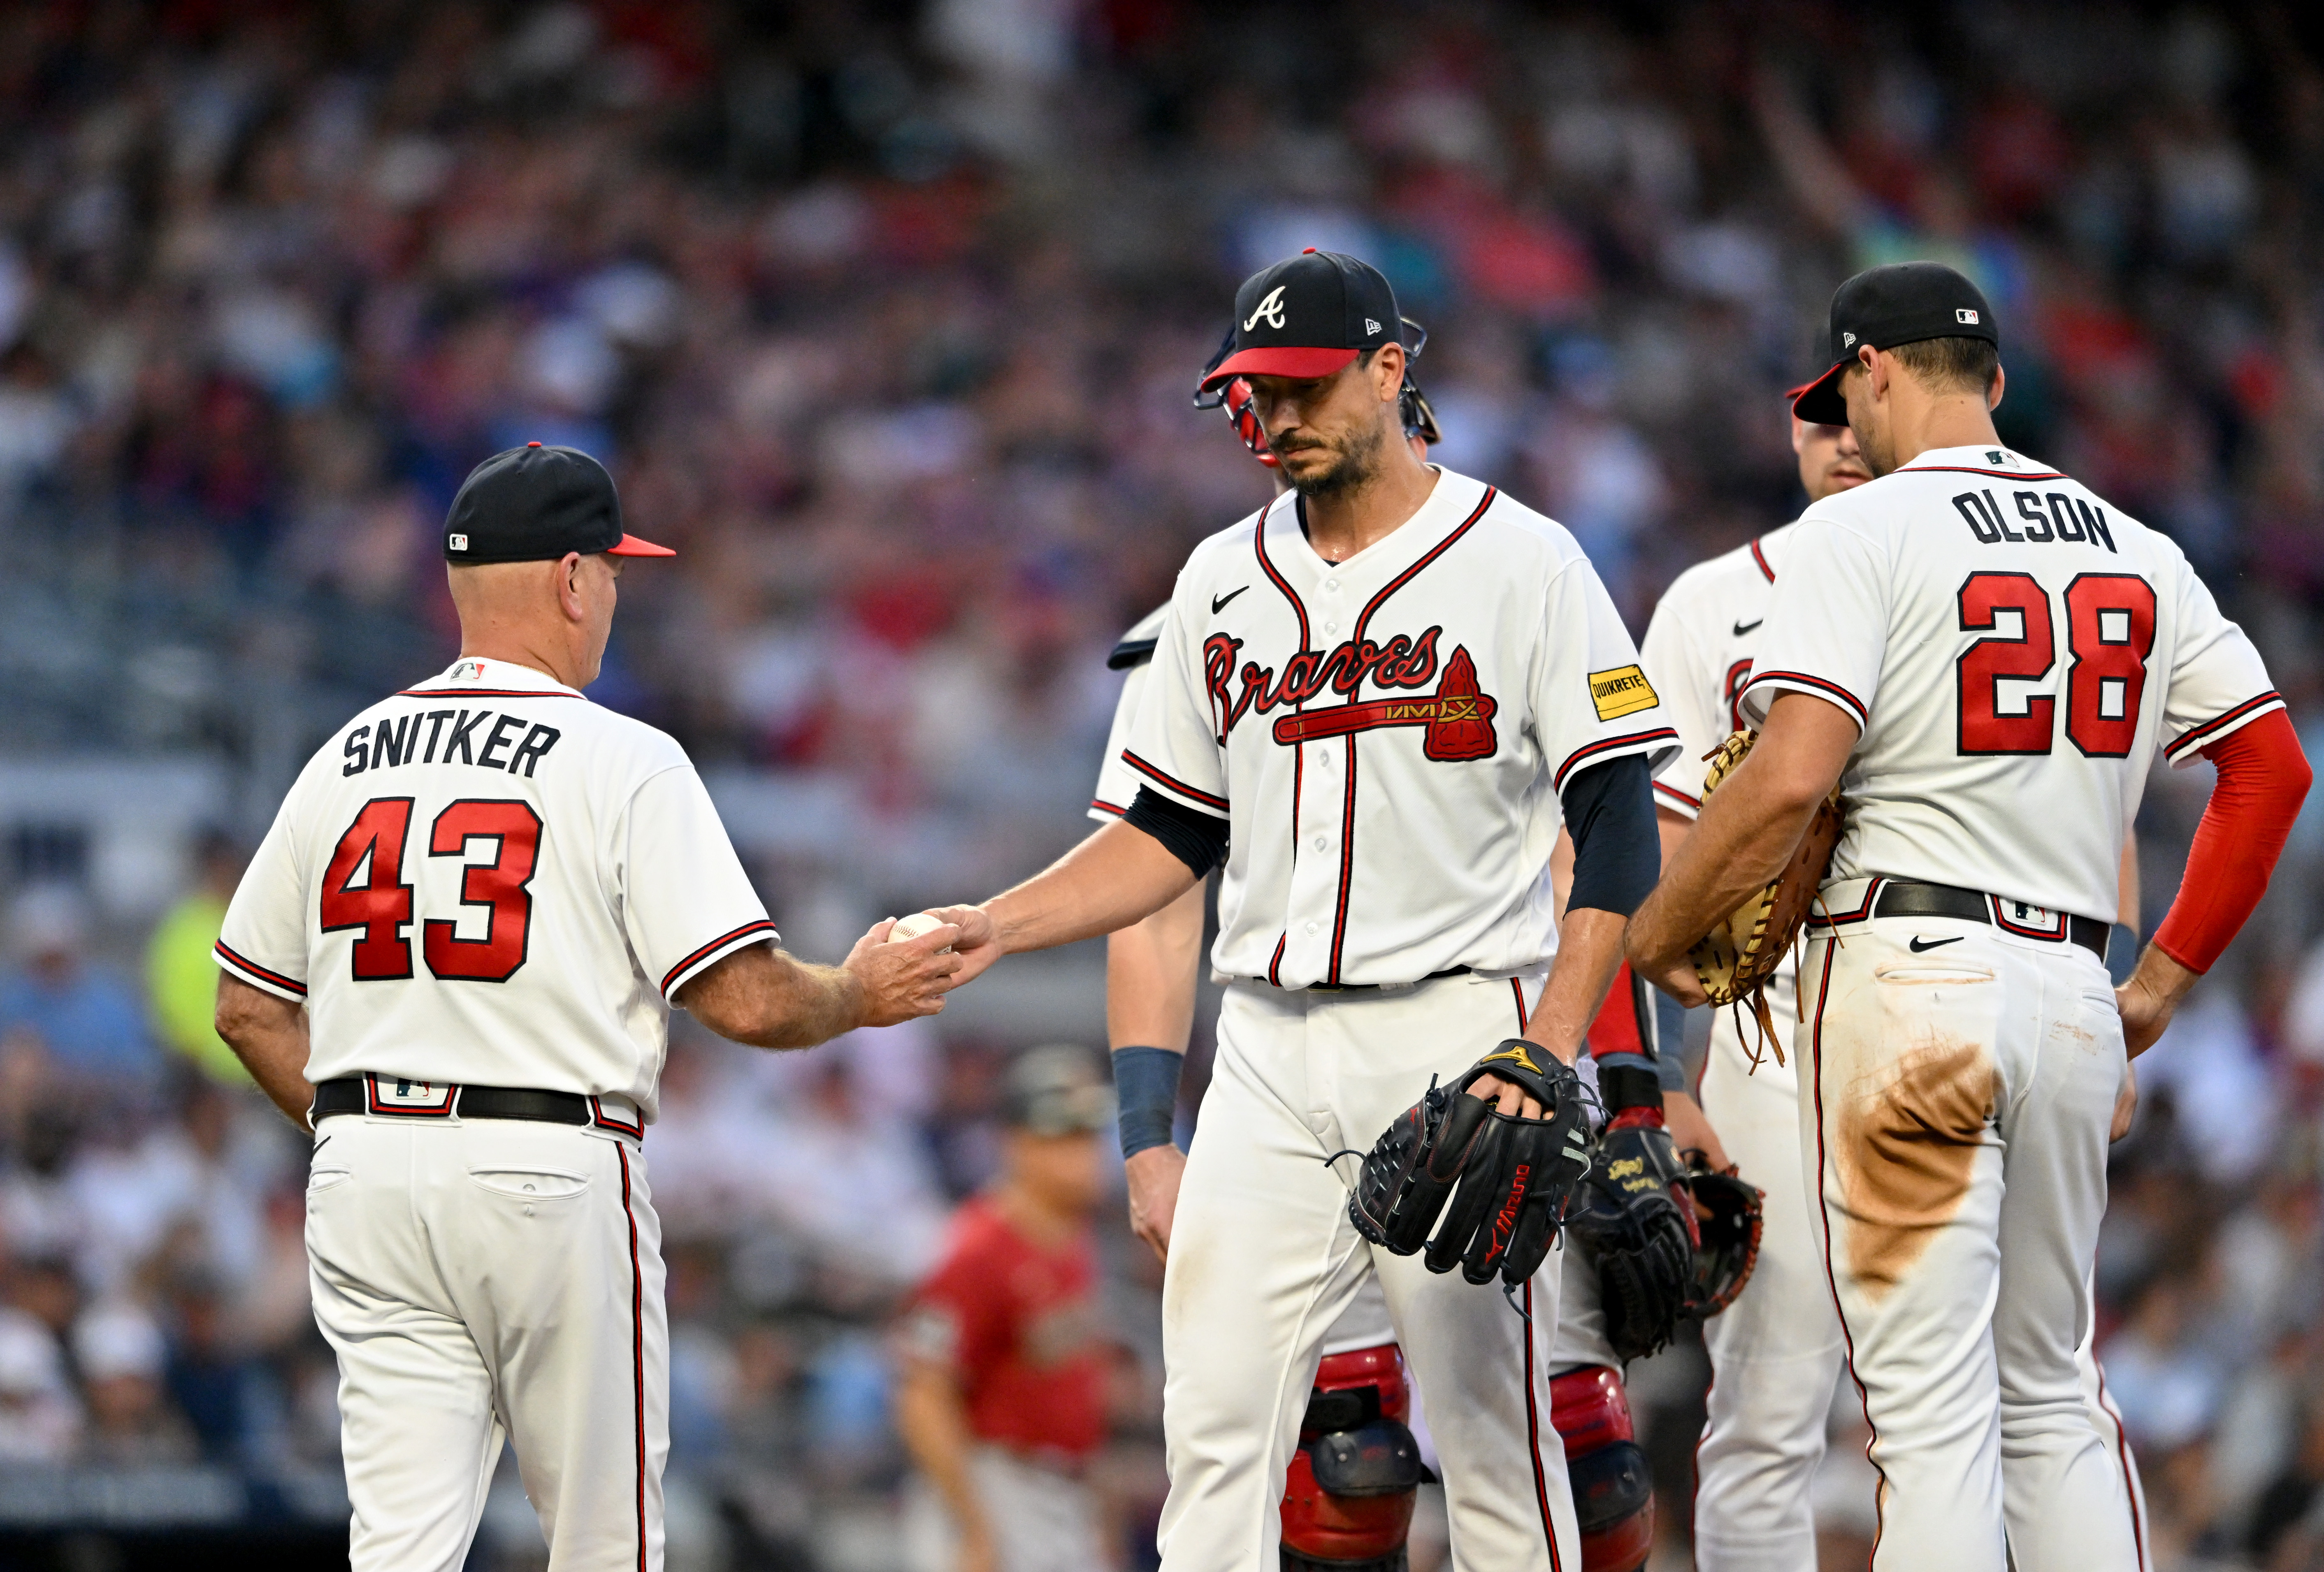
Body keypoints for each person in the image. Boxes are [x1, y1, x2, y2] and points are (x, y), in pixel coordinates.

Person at [926, 249, 1677, 1570]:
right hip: (1266, 1052)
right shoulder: (1215, 577)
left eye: (1304, 386)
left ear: (1390, 372)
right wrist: (996, 924)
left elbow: (1615, 829)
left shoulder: (1523, 559)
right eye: (1254, 393)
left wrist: (1560, 1053)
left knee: (1499, 1434)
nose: (1276, 418)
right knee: (1214, 1430)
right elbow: (1162, 838)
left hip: (1458, 1032)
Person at [1626, 262, 2311, 1572]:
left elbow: (1788, 771)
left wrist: (1658, 935)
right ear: (1991, 382)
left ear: (1870, 373)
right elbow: (2268, 766)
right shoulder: (2136, 544)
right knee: (2051, 1386)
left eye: (1844, 393)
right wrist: (2159, 983)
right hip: (2072, 981)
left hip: (1906, 979)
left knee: (1931, 1411)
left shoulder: (1859, 532)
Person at [208, 442, 962, 1572]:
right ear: (569, 579)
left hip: (363, 1162)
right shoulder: (623, 757)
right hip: (546, 1160)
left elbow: (246, 1007)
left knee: (400, 1549)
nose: (614, 591)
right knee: (608, 1543)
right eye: (610, 569)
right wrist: (856, 992)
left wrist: (360, 1129)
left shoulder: (345, 755)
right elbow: (747, 999)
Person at [1639, 399, 2153, 1569]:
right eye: (1820, 415)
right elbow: (1653, 845)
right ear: (1790, 428)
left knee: (1988, 1387)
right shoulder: (1712, 601)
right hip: (1769, 1029)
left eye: (1857, 407)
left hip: (1945, 1001)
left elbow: (2098, 825)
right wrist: (1657, 1067)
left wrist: (2115, 1004)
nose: (1845, 436)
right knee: (1773, 1404)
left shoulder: (1985, 571)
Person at [895, 1045, 1120, 1572]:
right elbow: (922, 1395)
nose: (1084, 1155)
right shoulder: (977, 1247)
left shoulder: (1076, 1239)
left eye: (1089, 1136)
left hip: (1065, 1492)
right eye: (1064, 1138)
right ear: (1015, 1143)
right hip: (993, 1484)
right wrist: (974, 1527)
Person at [0, 884, 160, 1086]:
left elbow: (140, 1065)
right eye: (43, 961)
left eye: (58, 958)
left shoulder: (109, 1002)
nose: (51, 970)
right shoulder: (11, 1003)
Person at [147, 828, 249, 1085]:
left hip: (261, 1073)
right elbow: (171, 1005)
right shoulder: (182, 929)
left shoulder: (258, 919)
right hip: (206, 1077)